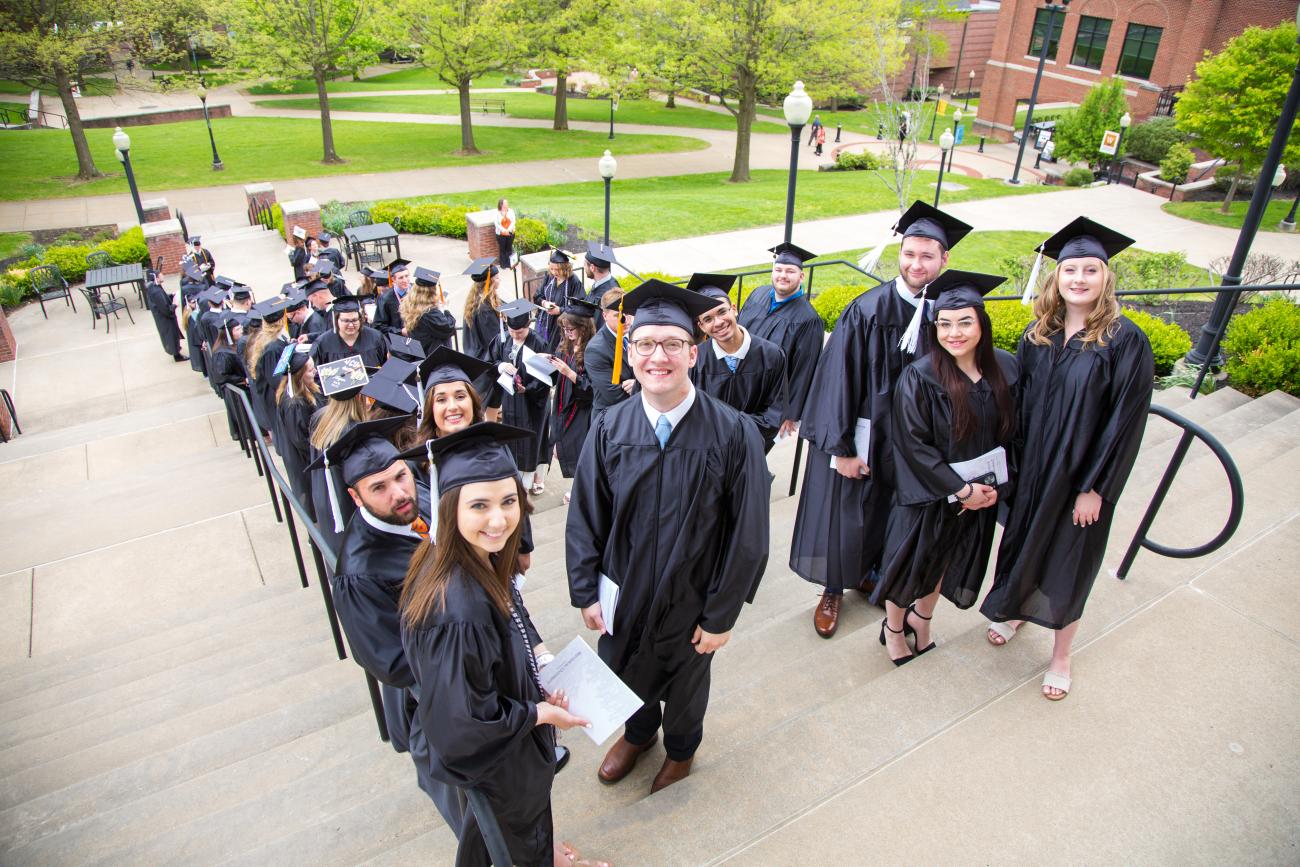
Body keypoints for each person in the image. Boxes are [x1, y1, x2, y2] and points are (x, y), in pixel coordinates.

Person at [567, 280, 770, 794]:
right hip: (626, 588)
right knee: (627, 666)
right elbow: (586, 516)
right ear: (629, 353)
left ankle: (680, 750)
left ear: (693, 354)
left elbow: (748, 534)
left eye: (672, 345)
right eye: (645, 344)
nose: (658, 356)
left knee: (686, 684)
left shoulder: (733, 432)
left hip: (693, 594)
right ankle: (638, 734)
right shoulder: (610, 427)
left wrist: (721, 615)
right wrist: (585, 592)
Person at [400, 423, 604, 867]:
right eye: (479, 505)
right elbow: (462, 725)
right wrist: (537, 712)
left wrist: (534, 688)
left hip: (506, 755)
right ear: (449, 508)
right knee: (510, 839)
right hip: (496, 764)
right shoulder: (458, 609)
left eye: (509, 501)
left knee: (510, 835)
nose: (499, 520)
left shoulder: (471, 561)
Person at [981, 218, 1154, 701]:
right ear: (1056, 277)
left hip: (1080, 480)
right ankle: (1015, 610)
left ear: (1106, 278)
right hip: (1033, 470)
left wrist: (1096, 487)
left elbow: (1125, 420)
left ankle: (1060, 656)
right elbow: (1016, 407)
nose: (1079, 278)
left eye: (1090, 270)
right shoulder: (1039, 336)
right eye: (1070, 269)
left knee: (1068, 564)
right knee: (1021, 546)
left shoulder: (1124, 340)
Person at [792, 201, 972, 639]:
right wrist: (843, 449)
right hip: (865, 438)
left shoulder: (945, 316)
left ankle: (872, 574)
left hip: (913, 445)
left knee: (891, 515)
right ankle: (833, 588)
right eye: (910, 254)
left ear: (945, 259)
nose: (917, 263)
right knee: (847, 513)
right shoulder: (868, 310)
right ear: (900, 254)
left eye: (928, 256)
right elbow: (836, 380)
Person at [308, 415, 470, 834]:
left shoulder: (422, 498)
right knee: (471, 804)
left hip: (478, 660)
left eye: (400, 475)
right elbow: (391, 662)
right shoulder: (359, 572)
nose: (399, 493)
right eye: (378, 488)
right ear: (355, 497)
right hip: (433, 698)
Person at [874, 271, 1018, 666]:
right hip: (929, 493)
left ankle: (922, 620)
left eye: (965, 322)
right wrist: (961, 489)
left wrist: (994, 488)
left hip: (979, 495)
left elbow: (1012, 435)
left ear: (982, 324)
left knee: (944, 562)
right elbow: (911, 444)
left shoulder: (1006, 368)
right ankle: (892, 627)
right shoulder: (920, 376)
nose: (954, 333)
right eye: (945, 324)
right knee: (908, 566)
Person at [688, 273, 787, 453]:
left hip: (750, 449)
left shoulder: (771, 355)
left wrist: (736, 435)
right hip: (708, 451)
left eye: (722, 311)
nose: (718, 322)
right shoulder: (695, 359)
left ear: (734, 309)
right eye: (708, 319)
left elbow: (775, 413)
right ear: (701, 326)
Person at [736, 243, 823, 442]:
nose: (783, 275)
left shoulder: (808, 320)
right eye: (778, 270)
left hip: (768, 401)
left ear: (801, 277)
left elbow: (804, 370)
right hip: (738, 384)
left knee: (750, 451)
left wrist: (789, 414)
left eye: (790, 271)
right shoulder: (758, 294)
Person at [487, 300, 553, 496]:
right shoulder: (503, 339)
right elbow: (491, 361)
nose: (516, 335)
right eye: (513, 331)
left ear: (528, 325)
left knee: (535, 440)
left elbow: (548, 377)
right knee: (514, 438)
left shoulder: (539, 343)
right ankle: (518, 477)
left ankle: (534, 477)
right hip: (510, 400)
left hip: (533, 403)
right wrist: (501, 366)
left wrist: (529, 389)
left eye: (521, 332)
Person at [309, 355, 374, 549]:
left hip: (326, 499)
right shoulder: (352, 433)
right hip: (346, 506)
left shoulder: (320, 417)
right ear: (359, 396)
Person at [546, 298, 597, 482]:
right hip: (562, 407)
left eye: (570, 329)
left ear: (583, 327)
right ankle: (577, 487)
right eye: (564, 329)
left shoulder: (593, 351)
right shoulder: (566, 346)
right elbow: (557, 376)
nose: (566, 333)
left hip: (580, 413)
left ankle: (581, 489)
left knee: (580, 453)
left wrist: (570, 373)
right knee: (562, 448)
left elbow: (592, 391)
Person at [275, 343, 324, 510]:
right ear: (299, 375)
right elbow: (301, 440)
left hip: (312, 453)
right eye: (310, 370)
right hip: (307, 461)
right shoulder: (294, 403)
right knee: (313, 500)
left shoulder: (305, 391)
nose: (315, 372)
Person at [583, 287, 636, 427]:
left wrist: (639, 385)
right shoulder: (596, 349)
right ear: (604, 315)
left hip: (636, 414)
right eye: (617, 315)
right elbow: (614, 395)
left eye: (628, 313)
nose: (625, 319)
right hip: (611, 421)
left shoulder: (638, 334)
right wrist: (642, 388)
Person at [461, 257, 505, 398]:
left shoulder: (474, 299)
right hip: (485, 359)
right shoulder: (484, 309)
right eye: (497, 278)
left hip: (474, 354)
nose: (499, 280)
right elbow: (493, 339)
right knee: (490, 398)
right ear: (490, 282)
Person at [311, 294, 388, 367]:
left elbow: (386, 366)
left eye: (354, 320)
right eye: (346, 321)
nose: (351, 325)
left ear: (360, 319)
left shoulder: (376, 338)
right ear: (336, 320)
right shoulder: (323, 343)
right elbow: (316, 375)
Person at [532, 249, 583, 351]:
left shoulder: (574, 282)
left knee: (554, 352)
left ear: (565, 267)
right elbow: (537, 295)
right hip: (544, 322)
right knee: (540, 348)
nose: (554, 272)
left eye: (558, 269)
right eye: (552, 269)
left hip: (561, 326)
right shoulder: (549, 276)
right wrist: (544, 303)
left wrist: (560, 310)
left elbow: (579, 308)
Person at [400, 267, 457, 353]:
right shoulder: (430, 313)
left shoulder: (410, 304)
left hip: (422, 350)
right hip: (435, 355)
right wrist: (445, 309)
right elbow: (449, 328)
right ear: (431, 291)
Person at [144, 268, 187, 362]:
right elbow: (166, 310)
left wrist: (171, 295)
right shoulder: (156, 292)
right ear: (156, 277)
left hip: (162, 318)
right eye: (161, 274)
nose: (162, 275)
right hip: (165, 319)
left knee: (172, 335)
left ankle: (177, 352)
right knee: (171, 336)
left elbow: (162, 299)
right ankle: (177, 356)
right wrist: (175, 304)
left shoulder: (155, 287)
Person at [494, 198, 517, 272]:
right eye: (505, 203)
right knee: (502, 249)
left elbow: (513, 221)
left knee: (509, 248)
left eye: (507, 203)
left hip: (510, 233)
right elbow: (496, 224)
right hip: (501, 234)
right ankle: (503, 264)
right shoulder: (497, 213)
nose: (507, 204)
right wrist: (504, 230)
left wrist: (508, 230)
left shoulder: (511, 211)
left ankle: (509, 263)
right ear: (501, 204)